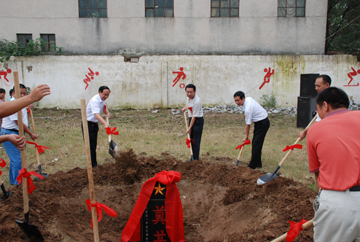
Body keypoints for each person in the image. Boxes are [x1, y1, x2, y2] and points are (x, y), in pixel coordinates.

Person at [307, 87, 360, 242]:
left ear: (325, 106)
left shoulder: (316, 129)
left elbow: (317, 174)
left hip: (339, 204)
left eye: (318, 110)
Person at [1, 84, 38, 185]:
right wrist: (30, 133)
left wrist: (26, 108)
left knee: (15, 159)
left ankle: (14, 182)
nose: (22, 95)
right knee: (18, 159)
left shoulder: (19, 104)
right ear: (13, 93)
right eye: (20, 93)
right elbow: (18, 122)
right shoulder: (12, 104)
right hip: (9, 132)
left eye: (24, 93)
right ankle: (18, 184)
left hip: (16, 132)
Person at [234, 91, 270, 169]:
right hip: (258, 122)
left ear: (243, 98)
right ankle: (258, 163)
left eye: (238, 100)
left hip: (263, 123)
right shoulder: (248, 99)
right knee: (257, 143)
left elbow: (248, 125)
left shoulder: (248, 108)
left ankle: (252, 165)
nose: (237, 102)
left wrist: (246, 137)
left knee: (256, 143)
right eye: (235, 100)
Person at [299, 74, 331, 140]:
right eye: (315, 85)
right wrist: (305, 132)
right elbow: (318, 119)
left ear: (327, 85)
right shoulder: (322, 98)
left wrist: (305, 132)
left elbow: (319, 121)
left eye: (318, 86)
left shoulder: (330, 100)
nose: (316, 88)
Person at [85, 86, 110, 167]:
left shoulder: (102, 100)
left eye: (108, 95)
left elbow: (104, 107)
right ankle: (93, 166)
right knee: (90, 146)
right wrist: (104, 123)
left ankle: (93, 164)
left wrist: (107, 113)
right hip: (88, 124)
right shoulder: (95, 100)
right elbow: (96, 114)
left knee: (93, 145)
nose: (106, 96)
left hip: (94, 124)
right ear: (99, 92)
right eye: (104, 94)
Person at [181, 84, 204, 161]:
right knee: (191, 139)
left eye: (191, 92)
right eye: (187, 92)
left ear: (195, 91)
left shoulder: (197, 101)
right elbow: (188, 104)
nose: (189, 94)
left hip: (197, 121)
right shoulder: (189, 98)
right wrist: (185, 107)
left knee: (195, 141)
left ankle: (195, 160)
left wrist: (189, 128)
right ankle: (192, 158)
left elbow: (194, 116)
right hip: (191, 119)